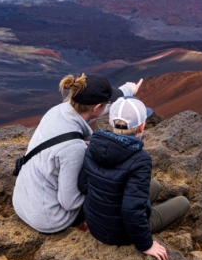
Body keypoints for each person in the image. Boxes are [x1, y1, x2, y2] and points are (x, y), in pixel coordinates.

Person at [12, 73, 140, 234]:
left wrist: (127, 90)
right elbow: (70, 203)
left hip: (22, 201)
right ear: (96, 107)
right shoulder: (74, 149)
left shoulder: (57, 111)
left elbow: (93, 112)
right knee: (112, 189)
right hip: (48, 218)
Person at [77, 95, 191, 260]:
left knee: (156, 185)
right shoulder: (139, 159)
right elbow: (131, 211)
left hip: (95, 225)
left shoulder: (94, 144)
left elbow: (83, 185)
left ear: (110, 123)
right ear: (142, 126)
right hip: (119, 234)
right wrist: (146, 245)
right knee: (183, 202)